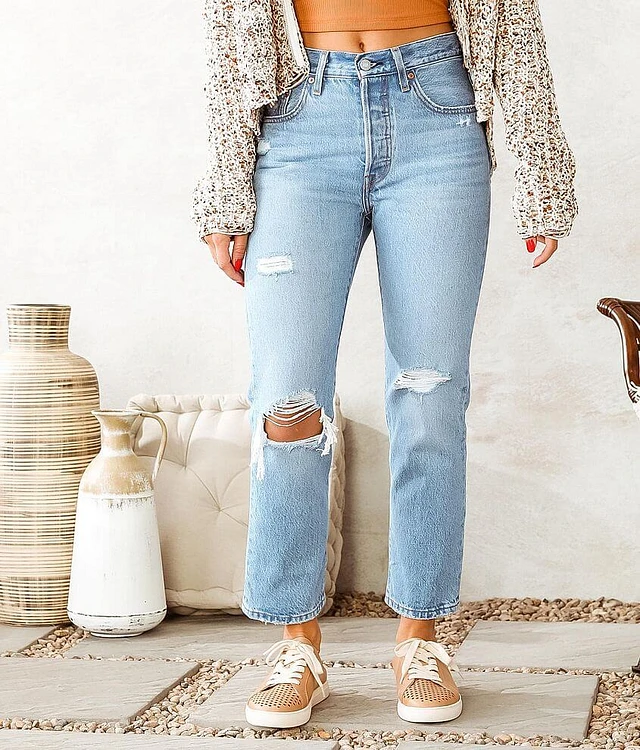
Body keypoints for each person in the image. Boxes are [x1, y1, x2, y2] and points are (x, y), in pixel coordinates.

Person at [191, 0, 577, 730]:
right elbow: (227, 37)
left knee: (430, 397)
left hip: (438, 114)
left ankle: (419, 641)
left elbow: (515, 22)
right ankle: (297, 645)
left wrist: (543, 172)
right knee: (287, 403)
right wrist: (224, 190)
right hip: (298, 118)